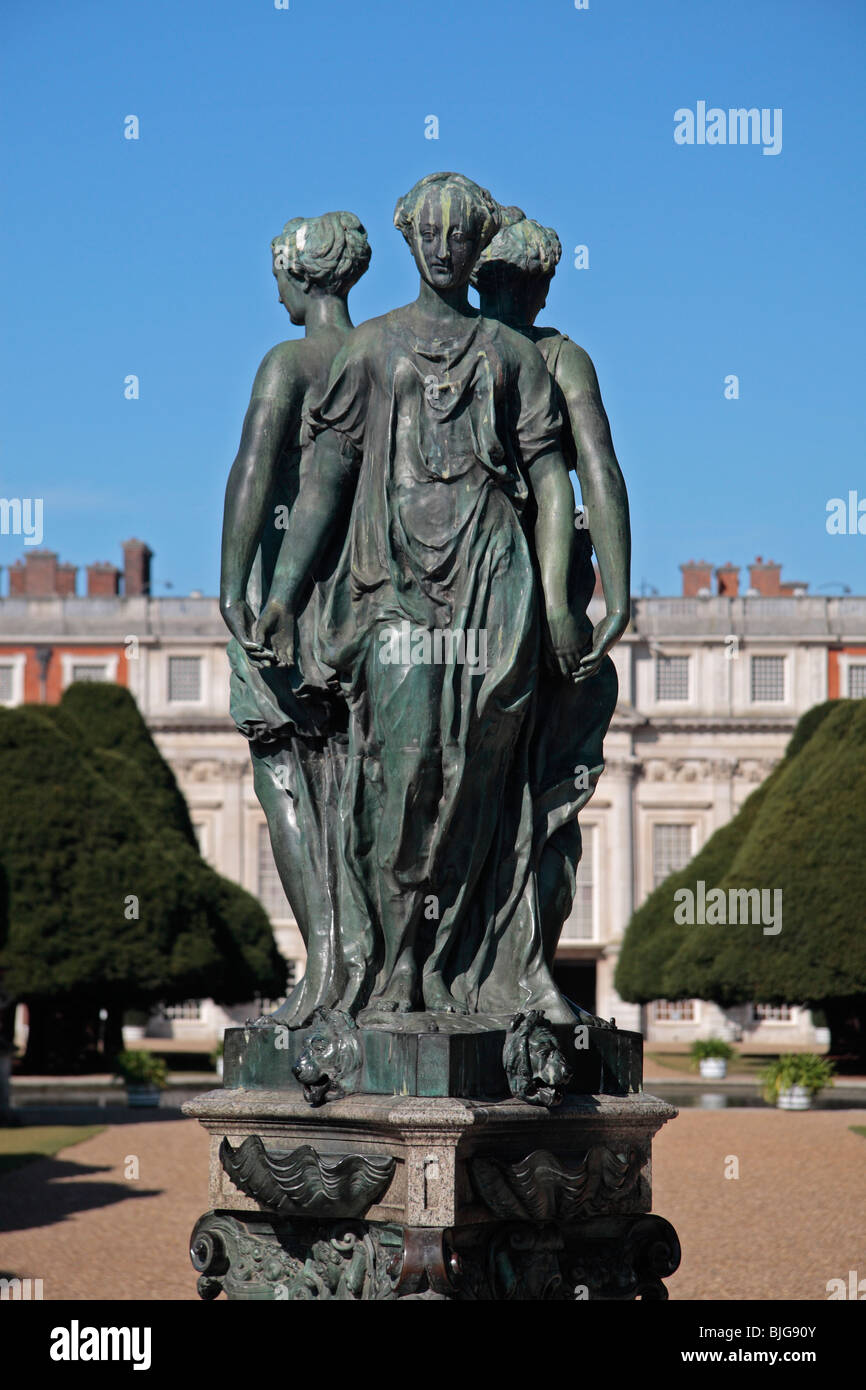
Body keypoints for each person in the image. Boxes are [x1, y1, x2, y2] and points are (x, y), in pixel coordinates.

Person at [262, 172, 591, 1022]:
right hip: (396, 591)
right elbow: (327, 480)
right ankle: (401, 960)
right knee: (405, 773)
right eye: (432, 232)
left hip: (495, 585)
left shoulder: (513, 357)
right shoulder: (369, 348)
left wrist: (556, 599)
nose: (445, 247)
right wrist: (286, 594)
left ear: (478, 244)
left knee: (483, 773)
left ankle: (464, 964)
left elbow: (555, 484)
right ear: (410, 237)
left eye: (461, 233)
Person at [219, 210, 371, 1027]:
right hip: (373, 604)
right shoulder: (383, 353)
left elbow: (253, 471)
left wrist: (232, 586)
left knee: (282, 774)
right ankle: (370, 969)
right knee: (362, 788)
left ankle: (325, 967)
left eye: (277, 273)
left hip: (294, 602)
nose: (273, 288)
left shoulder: (291, 361)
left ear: (301, 274)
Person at [472, 210, 630, 969]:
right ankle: (514, 959)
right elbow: (597, 470)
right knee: (544, 790)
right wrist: (612, 596)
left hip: (463, 583)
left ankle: (493, 962)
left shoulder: (450, 352)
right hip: (529, 589)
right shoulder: (559, 358)